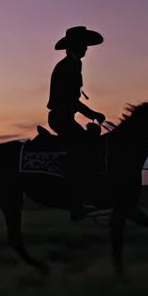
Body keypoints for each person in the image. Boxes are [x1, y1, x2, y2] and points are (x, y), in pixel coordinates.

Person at [48, 26, 107, 220]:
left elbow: (71, 100)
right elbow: (70, 100)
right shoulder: (68, 66)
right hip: (61, 118)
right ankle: (76, 202)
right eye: (83, 45)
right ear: (75, 46)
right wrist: (93, 113)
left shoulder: (72, 65)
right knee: (83, 149)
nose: (86, 49)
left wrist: (90, 113)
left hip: (65, 117)